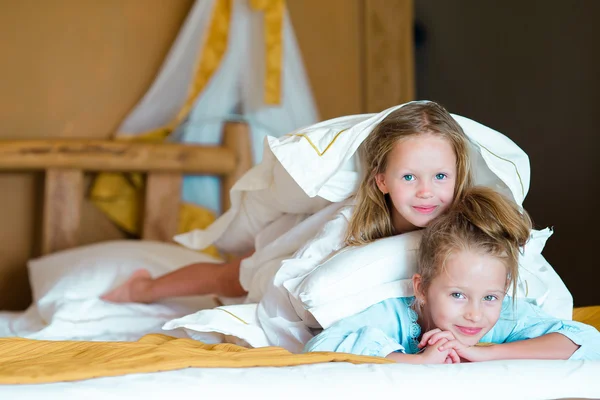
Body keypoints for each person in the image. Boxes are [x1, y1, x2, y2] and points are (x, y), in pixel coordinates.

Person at [102, 100, 472, 310]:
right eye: (409, 177)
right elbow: (302, 273)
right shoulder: (349, 222)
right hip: (294, 246)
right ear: (381, 180)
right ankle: (144, 289)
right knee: (230, 277)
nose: (426, 192)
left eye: (440, 177)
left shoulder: (463, 226)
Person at [303, 187, 600, 362]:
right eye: (457, 295)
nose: (474, 314)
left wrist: (483, 353)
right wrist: (416, 362)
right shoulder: (394, 316)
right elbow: (320, 346)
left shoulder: (502, 318)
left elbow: (587, 341)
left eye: (490, 297)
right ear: (421, 288)